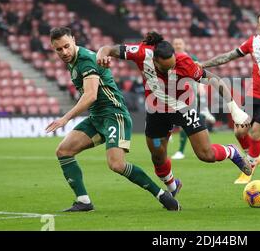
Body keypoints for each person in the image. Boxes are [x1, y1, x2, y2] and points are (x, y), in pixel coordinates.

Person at [96, 31, 253, 198]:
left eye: (173, 65)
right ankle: (173, 187)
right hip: (156, 111)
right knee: (157, 154)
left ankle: (232, 151)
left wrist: (234, 109)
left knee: (206, 155)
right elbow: (107, 49)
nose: (172, 68)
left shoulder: (183, 62)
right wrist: (101, 55)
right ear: (155, 61)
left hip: (183, 107)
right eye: (166, 67)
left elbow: (215, 80)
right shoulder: (142, 53)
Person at [45, 27, 180, 212]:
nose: (64, 52)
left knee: (116, 164)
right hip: (97, 117)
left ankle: (162, 195)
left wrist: (65, 118)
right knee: (64, 151)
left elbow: (91, 95)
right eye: (58, 49)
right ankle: (83, 201)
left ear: (74, 41)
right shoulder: (73, 60)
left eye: (66, 46)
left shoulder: (85, 60)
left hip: (114, 115)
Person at [200, 10, 260, 184]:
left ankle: (249, 167)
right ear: (257, 25)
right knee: (239, 131)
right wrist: (203, 64)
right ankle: (252, 156)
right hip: (253, 95)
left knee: (256, 133)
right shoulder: (252, 42)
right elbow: (228, 56)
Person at [170, 38, 216, 160]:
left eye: (180, 43)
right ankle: (203, 114)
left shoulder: (191, 58)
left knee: (185, 121)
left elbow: (199, 73)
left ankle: (180, 150)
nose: (178, 45)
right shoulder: (169, 58)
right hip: (173, 94)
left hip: (189, 93)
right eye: (175, 44)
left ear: (184, 45)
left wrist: (201, 86)